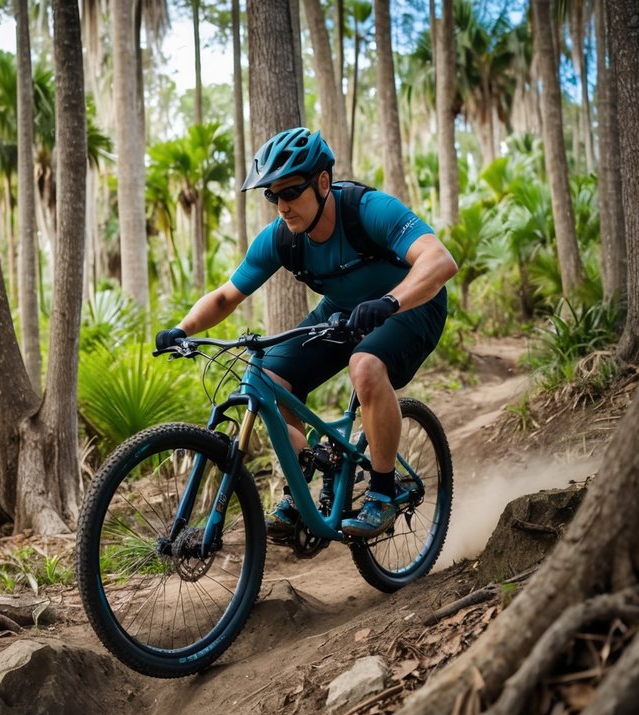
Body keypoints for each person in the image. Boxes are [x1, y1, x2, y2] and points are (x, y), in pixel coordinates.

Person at [155, 127, 457, 539]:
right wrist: (181, 329)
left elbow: (439, 261)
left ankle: (384, 492)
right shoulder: (283, 239)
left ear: (323, 182)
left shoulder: (368, 210)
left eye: (292, 191)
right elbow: (226, 296)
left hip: (412, 304)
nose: (282, 206)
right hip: (343, 312)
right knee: (267, 379)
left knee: (365, 365)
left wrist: (389, 302)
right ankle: (305, 488)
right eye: (272, 196)